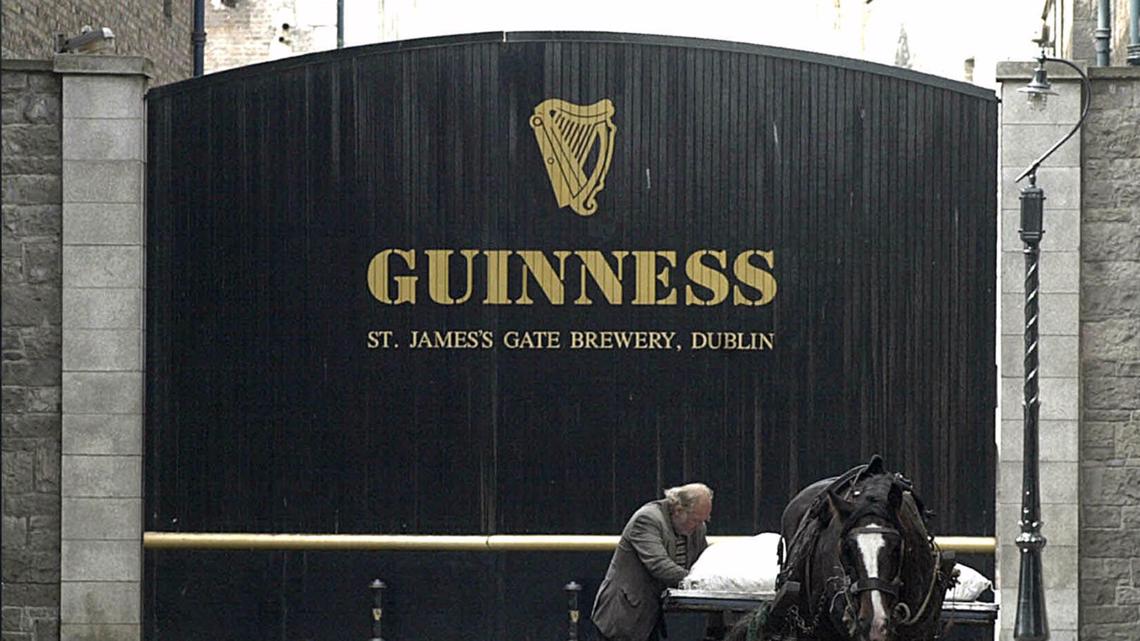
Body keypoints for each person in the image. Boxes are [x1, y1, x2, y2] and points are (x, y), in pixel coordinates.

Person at [591, 483, 714, 641]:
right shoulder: (647, 519)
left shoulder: (697, 528)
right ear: (678, 510)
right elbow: (659, 565)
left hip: (650, 617)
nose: (699, 526)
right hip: (624, 615)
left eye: (704, 520)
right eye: (695, 520)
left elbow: (702, 562)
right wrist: (699, 582)